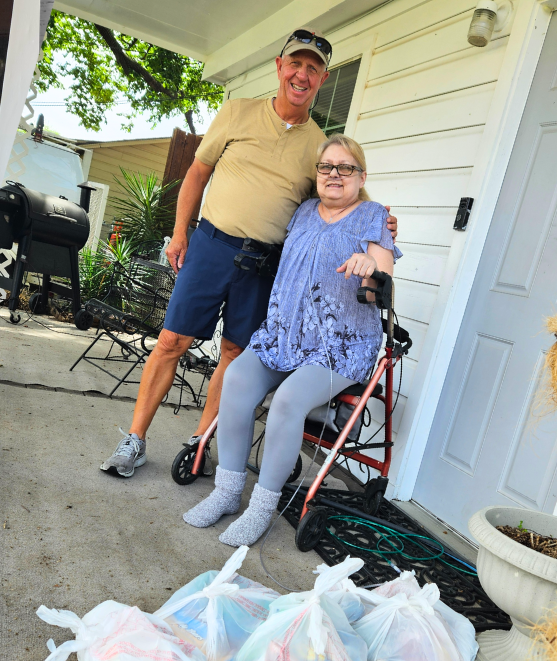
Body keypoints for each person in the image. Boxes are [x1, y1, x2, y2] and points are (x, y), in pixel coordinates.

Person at [103, 29, 377, 478]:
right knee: (172, 342)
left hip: (265, 262)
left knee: (232, 353)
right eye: (296, 64)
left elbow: (345, 189)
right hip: (211, 245)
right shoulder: (236, 112)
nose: (301, 75)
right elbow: (196, 173)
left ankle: (199, 444)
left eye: (313, 68)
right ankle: (134, 440)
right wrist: (180, 233)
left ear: (322, 79)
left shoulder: (318, 145)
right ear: (279, 66)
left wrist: (378, 220)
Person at [181, 136, 397, 545]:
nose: (334, 174)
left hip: (339, 345)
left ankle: (262, 506)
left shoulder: (373, 216)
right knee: (237, 380)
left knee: (287, 401)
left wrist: (370, 266)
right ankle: (227, 493)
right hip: (285, 333)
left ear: (361, 176)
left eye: (345, 167)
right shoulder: (302, 211)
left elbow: (381, 281)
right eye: (326, 167)